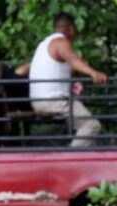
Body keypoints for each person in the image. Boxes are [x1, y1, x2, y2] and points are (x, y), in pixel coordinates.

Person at [28, 12, 108, 147]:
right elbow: (74, 60)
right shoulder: (60, 42)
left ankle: (82, 153)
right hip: (54, 101)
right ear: (71, 28)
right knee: (91, 125)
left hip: (38, 101)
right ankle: (71, 155)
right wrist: (94, 73)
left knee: (84, 130)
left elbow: (65, 68)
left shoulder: (44, 44)